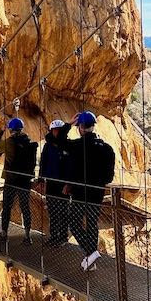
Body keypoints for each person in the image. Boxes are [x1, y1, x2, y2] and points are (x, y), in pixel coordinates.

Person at [56, 111, 115, 271]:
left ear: (80, 127)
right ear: (93, 126)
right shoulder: (108, 149)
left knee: (74, 223)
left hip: (80, 194)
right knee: (92, 224)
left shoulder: (76, 146)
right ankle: (91, 262)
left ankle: (91, 252)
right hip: (97, 194)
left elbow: (59, 140)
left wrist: (68, 124)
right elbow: (109, 177)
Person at [0, 117, 38, 244]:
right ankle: (28, 236)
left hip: (11, 180)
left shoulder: (9, 142)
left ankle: (4, 233)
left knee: (6, 207)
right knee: (25, 208)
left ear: (11, 129)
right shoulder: (29, 142)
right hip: (25, 181)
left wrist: (1, 131)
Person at [39, 119, 69, 246]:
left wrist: (69, 184)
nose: (56, 132)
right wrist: (41, 179)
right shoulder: (48, 146)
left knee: (63, 211)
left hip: (63, 184)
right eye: (54, 130)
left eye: (58, 130)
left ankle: (62, 238)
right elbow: (43, 163)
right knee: (52, 211)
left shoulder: (67, 145)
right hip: (51, 182)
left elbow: (71, 166)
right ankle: (53, 236)